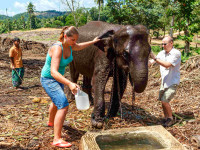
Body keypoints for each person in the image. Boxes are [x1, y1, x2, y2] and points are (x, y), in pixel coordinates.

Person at [40, 26, 100, 148]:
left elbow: (81, 46)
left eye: (76, 40)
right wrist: (70, 83)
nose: (75, 42)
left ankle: (51, 122)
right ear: (65, 36)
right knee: (63, 105)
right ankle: (57, 139)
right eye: (73, 39)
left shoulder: (70, 45)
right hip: (49, 79)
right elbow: (53, 72)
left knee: (56, 102)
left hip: (58, 79)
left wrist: (93, 41)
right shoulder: (57, 48)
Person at [150, 36, 181, 127]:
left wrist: (155, 58)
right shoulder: (161, 53)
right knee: (162, 101)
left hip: (172, 82)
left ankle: (171, 119)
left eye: (165, 44)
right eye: (162, 44)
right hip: (164, 82)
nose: (163, 45)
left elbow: (167, 65)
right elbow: (152, 61)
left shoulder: (176, 53)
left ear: (171, 43)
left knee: (165, 100)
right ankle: (166, 118)